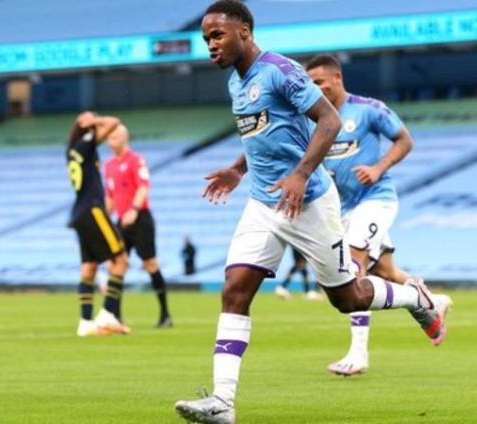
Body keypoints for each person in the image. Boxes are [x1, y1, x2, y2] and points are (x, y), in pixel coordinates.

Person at [174, 2, 447, 423]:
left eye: (218, 35)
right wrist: (237, 170)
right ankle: (223, 402)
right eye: (206, 38)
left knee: (348, 298)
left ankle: (415, 297)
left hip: (310, 203)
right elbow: (264, 134)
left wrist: (301, 175)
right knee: (235, 291)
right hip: (264, 203)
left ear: (244, 32)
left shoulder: (280, 71)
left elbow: (329, 121)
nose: (210, 45)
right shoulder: (236, 82)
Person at [306, 54, 453, 376]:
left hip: (376, 200)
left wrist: (377, 168)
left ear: (337, 78)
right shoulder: (315, 119)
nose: (315, 89)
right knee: (387, 272)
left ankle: (358, 354)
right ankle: (433, 301)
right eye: (310, 84)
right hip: (343, 208)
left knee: (352, 270)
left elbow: (404, 140)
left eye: (319, 82)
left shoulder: (367, 109)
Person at [66, 111, 131, 337]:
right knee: (121, 260)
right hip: (92, 210)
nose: (94, 118)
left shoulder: (73, 149)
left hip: (79, 213)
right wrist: (95, 121)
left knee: (89, 268)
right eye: (89, 117)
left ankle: (85, 323)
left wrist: (88, 122)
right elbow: (115, 121)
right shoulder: (85, 142)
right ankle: (107, 314)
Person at [104, 124, 173, 328]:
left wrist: (134, 209)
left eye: (114, 138)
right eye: (108, 139)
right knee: (116, 265)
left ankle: (165, 315)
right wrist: (104, 219)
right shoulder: (109, 165)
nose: (110, 143)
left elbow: (144, 186)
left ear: (124, 138)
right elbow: (110, 196)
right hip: (121, 222)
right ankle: (115, 317)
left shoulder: (136, 160)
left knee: (150, 264)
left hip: (141, 219)